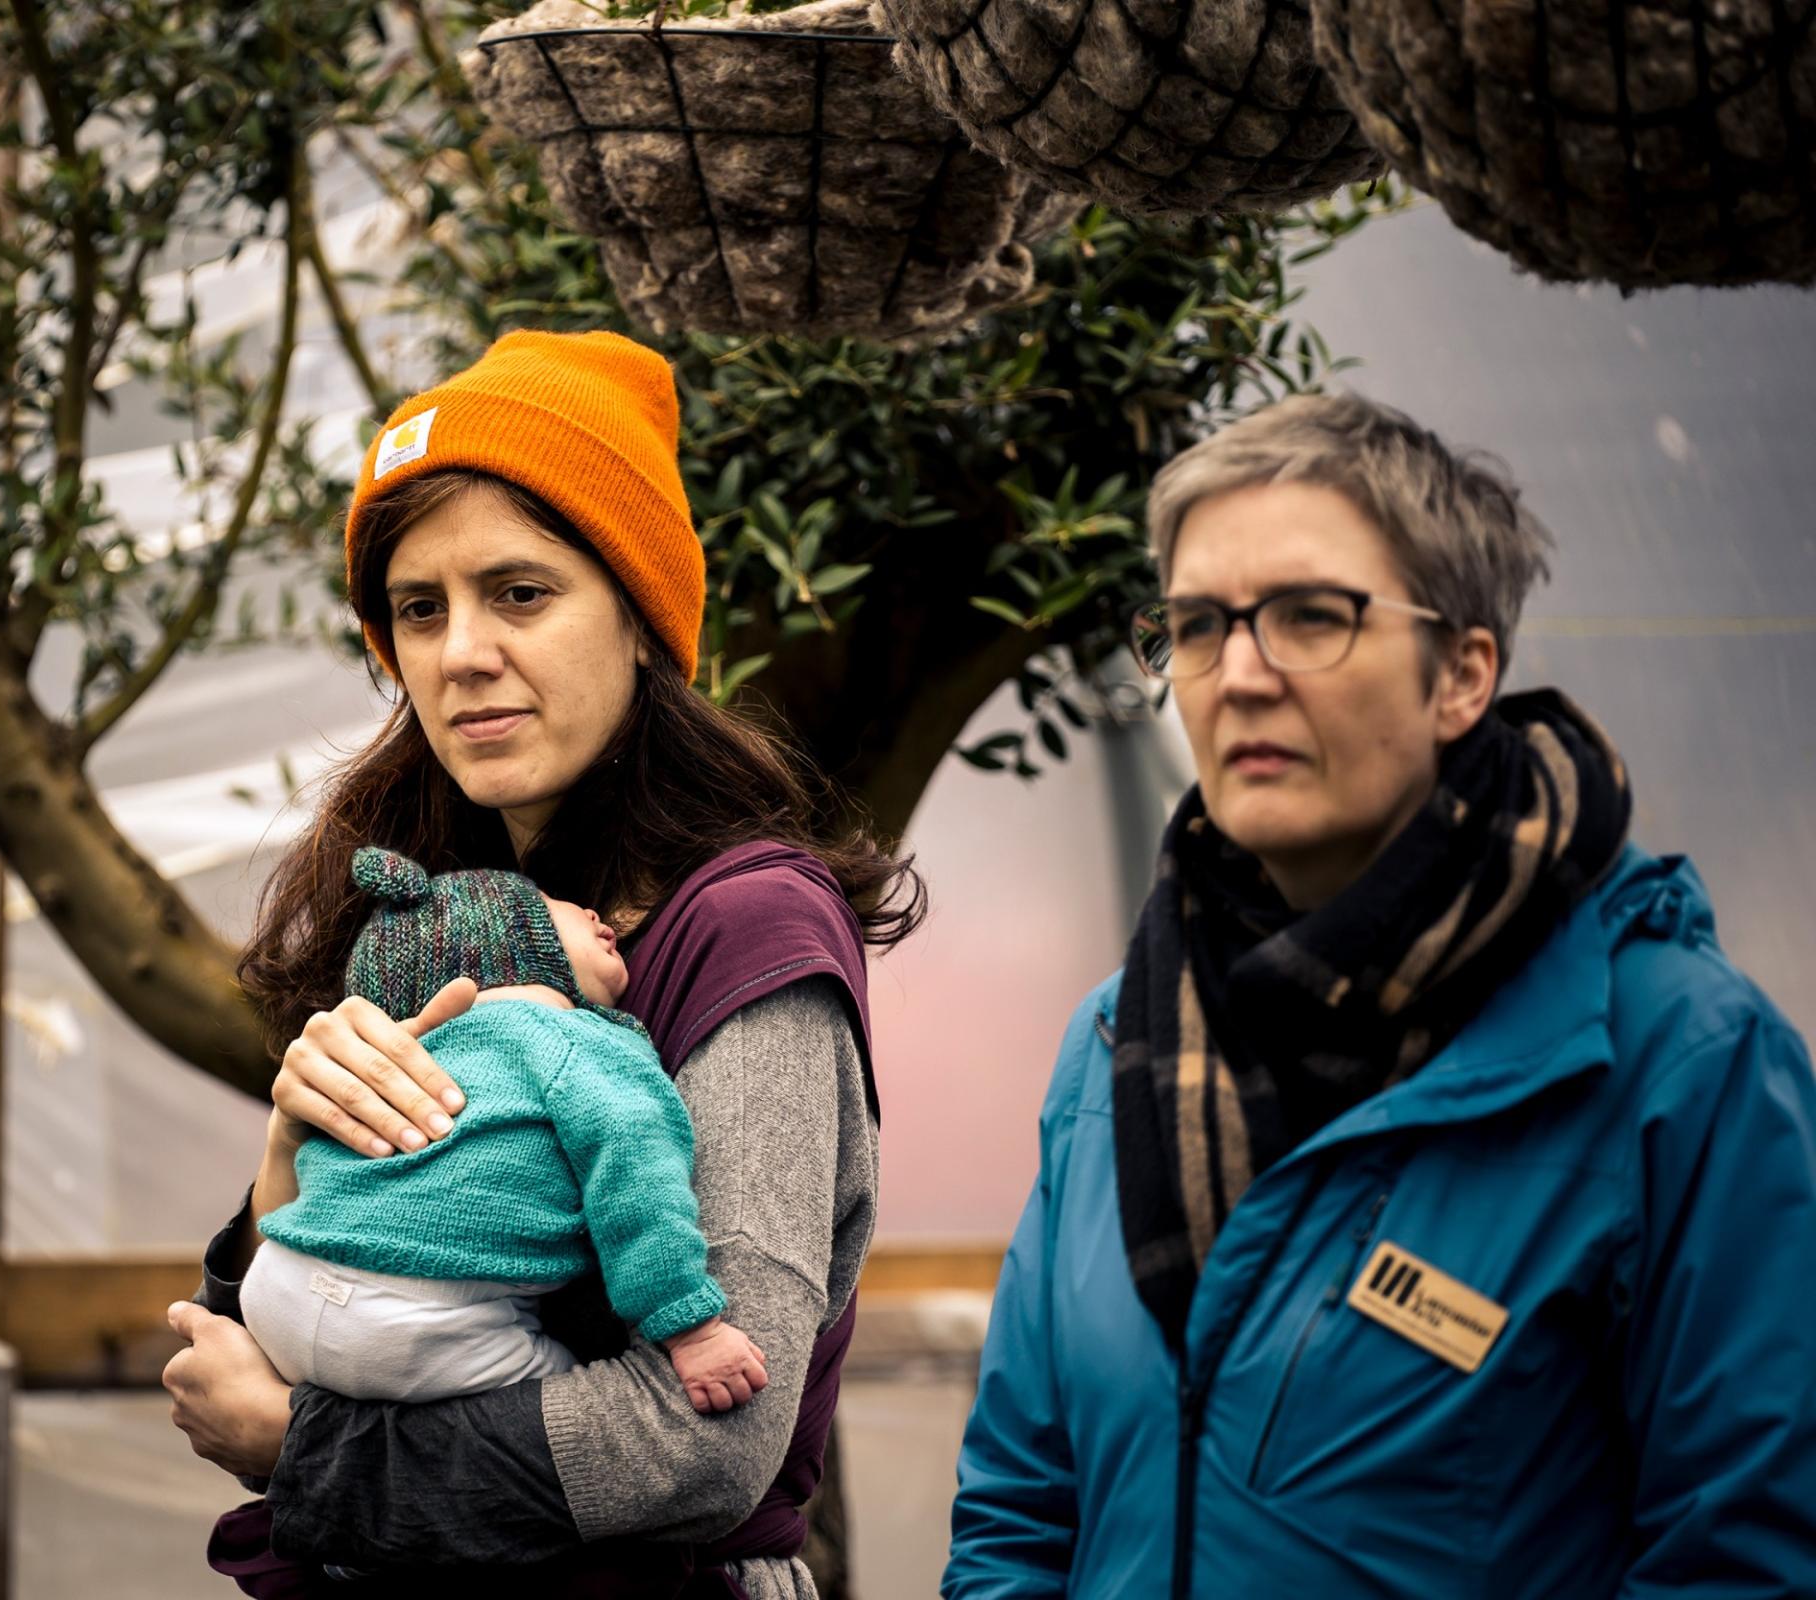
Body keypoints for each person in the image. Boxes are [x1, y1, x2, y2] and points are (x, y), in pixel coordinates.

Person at [945, 390, 1816, 1598]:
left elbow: (1747, 1560)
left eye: (1309, 616)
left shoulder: (1677, 1059)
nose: (1238, 675)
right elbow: (1018, 1512)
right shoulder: (1114, 1046)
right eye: (1195, 625)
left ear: (1461, 674)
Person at [160, 328, 924, 1597]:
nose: (461, 652)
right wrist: (286, 1155)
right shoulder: (436, 919)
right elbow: (301, 1318)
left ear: (636, 617)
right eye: (419, 607)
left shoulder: (750, 936)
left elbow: (711, 1440)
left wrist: (309, 1453)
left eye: (521, 592)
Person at [241, 844, 769, 1416]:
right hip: (417, 1323)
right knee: (565, 1397)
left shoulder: (410, 1054)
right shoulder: (578, 1041)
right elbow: (639, 1176)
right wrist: (691, 1327)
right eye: (554, 903)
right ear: (514, 941)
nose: (595, 913)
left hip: (274, 1288)